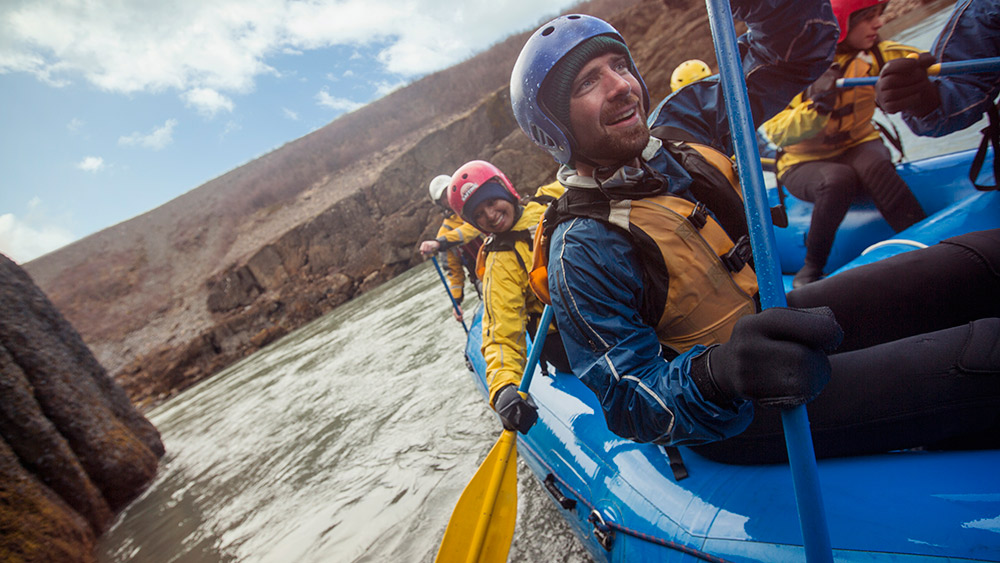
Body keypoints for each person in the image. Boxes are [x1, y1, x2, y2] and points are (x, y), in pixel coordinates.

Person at [510, 6, 1000, 463]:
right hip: (738, 407)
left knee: (982, 262)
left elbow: (793, 52)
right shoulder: (581, 250)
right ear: (555, 128)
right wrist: (718, 373)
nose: (620, 86)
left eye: (620, 65)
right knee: (985, 354)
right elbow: (629, 400)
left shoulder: (687, 127)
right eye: (588, 83)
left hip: (777, 319)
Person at [761, 0, 928, 288]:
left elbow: (929, 62)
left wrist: (925, 75)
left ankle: (925, 242)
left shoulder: (878, 54)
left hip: (858, 144)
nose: (878, 23)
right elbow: (775, 133)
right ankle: (811, 269)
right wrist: (817, 109)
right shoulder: (794, 67)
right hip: (803, 163)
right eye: (867, 18)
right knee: (837, 180)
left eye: (878, 15)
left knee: (876, 165)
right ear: (840, 24)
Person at [445, 161, 568, 434]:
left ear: (505, 190)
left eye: (490, 201)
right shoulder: (500, 263)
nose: (490, 215)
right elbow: (501, 332)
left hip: (609, 307)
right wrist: (503, 387)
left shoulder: (549, 200)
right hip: (570, 343)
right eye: (478, 213)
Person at [876, 0, 1000, 138]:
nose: (879, 24)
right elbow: (962, 82)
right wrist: (925, 100)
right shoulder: (982, 8)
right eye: (868, 18)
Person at [419, 174, 483, 323]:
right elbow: (454, 272)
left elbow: (472, 229)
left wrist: (439, 243)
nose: (448, 197)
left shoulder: (476, 207)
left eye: (449, 191)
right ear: (440, 203)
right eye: (443, 196)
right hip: (482, 276)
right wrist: (457, 302)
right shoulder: (444, 233)